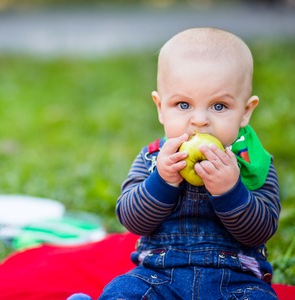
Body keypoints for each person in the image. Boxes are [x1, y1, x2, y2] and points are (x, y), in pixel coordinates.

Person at [99, 27, 281, 299]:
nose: (199, 120)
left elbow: (261, 230)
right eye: (183, 105)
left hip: (235, 281)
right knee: (123, 291)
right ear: (161, 108)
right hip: (158, 277)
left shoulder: (252, 163)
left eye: (219, 106)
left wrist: (230, 190)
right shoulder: (153, 158)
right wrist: (162, 181)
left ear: (245, 111)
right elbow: (131, 219)